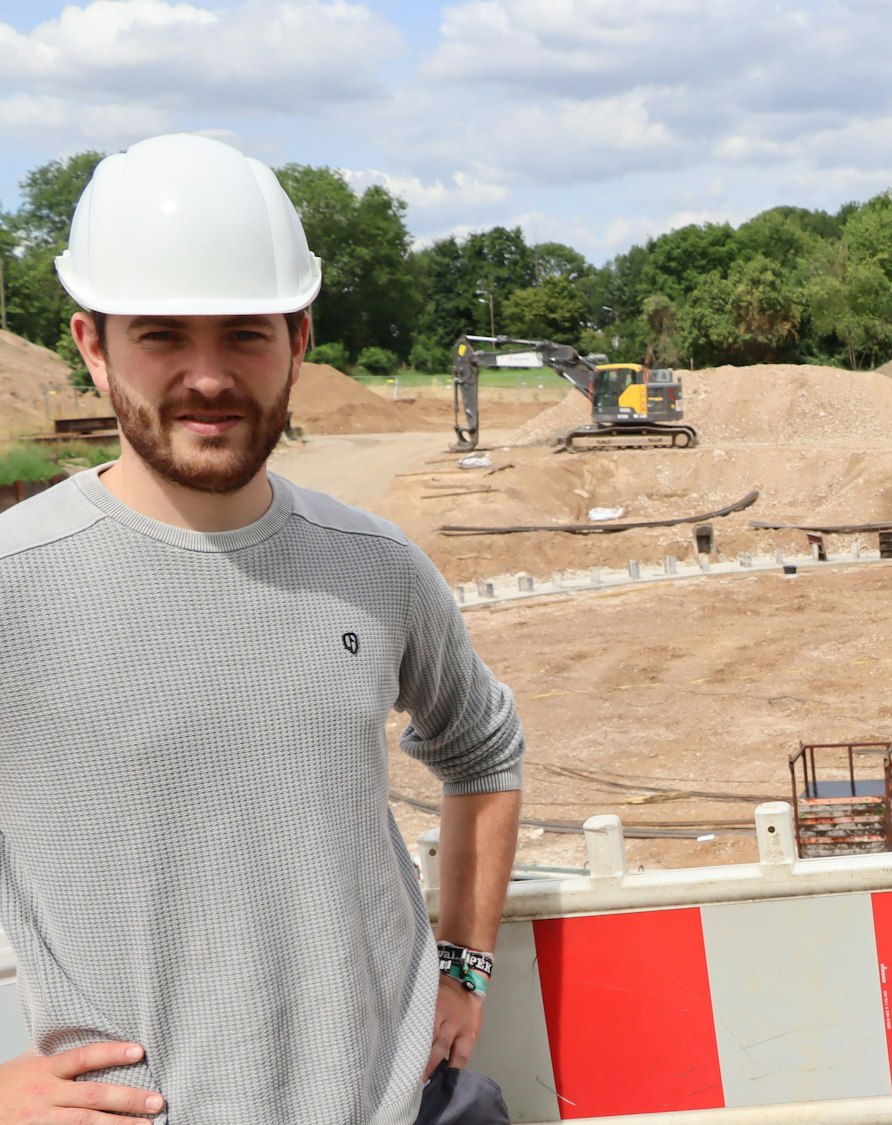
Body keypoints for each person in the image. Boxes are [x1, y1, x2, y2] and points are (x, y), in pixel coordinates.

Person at [0, 134, 526, 1123]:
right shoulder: (14, 588)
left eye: (244, 332)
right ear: (89, 343)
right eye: (160, 335)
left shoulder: (372, 563)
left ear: (299, 339)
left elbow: (483, 748)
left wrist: (461, 966)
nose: (208, 376)